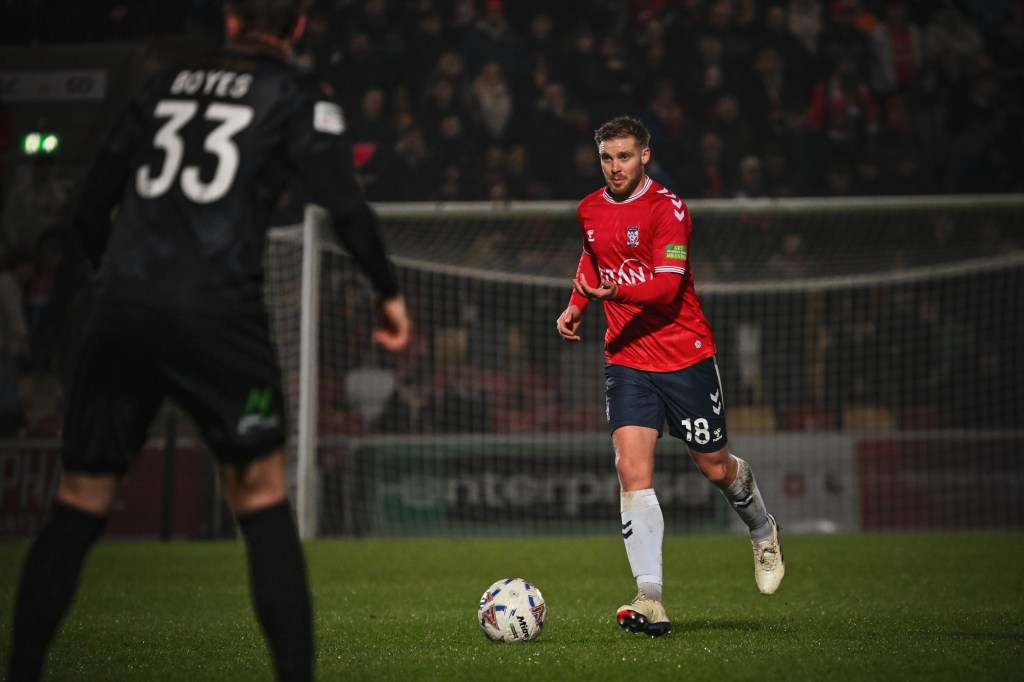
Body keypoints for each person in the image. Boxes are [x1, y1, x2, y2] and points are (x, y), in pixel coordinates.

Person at [6, 1, 410, 680]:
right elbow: (345, 206)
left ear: (230, 19)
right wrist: (386, 290)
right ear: (297, 27)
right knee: (260, 494)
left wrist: (114, 284)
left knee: (79, 499)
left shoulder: (162, 84)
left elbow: (89, 206)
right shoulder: (294, 95)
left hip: (122, 305)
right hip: (217, 312)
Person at [555, 116, 784, 638]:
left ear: (645, 156)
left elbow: (665, 287)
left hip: (685, 357)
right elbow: (592, 258)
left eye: (624, 156)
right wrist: (576, 306)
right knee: (630, 468)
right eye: (607, 158)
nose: (615, 167)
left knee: (715, 468)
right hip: (627, 359)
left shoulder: (668, 209)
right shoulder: (589, 209)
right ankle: (650, 597)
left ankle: (762, 527)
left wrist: (614, 293)